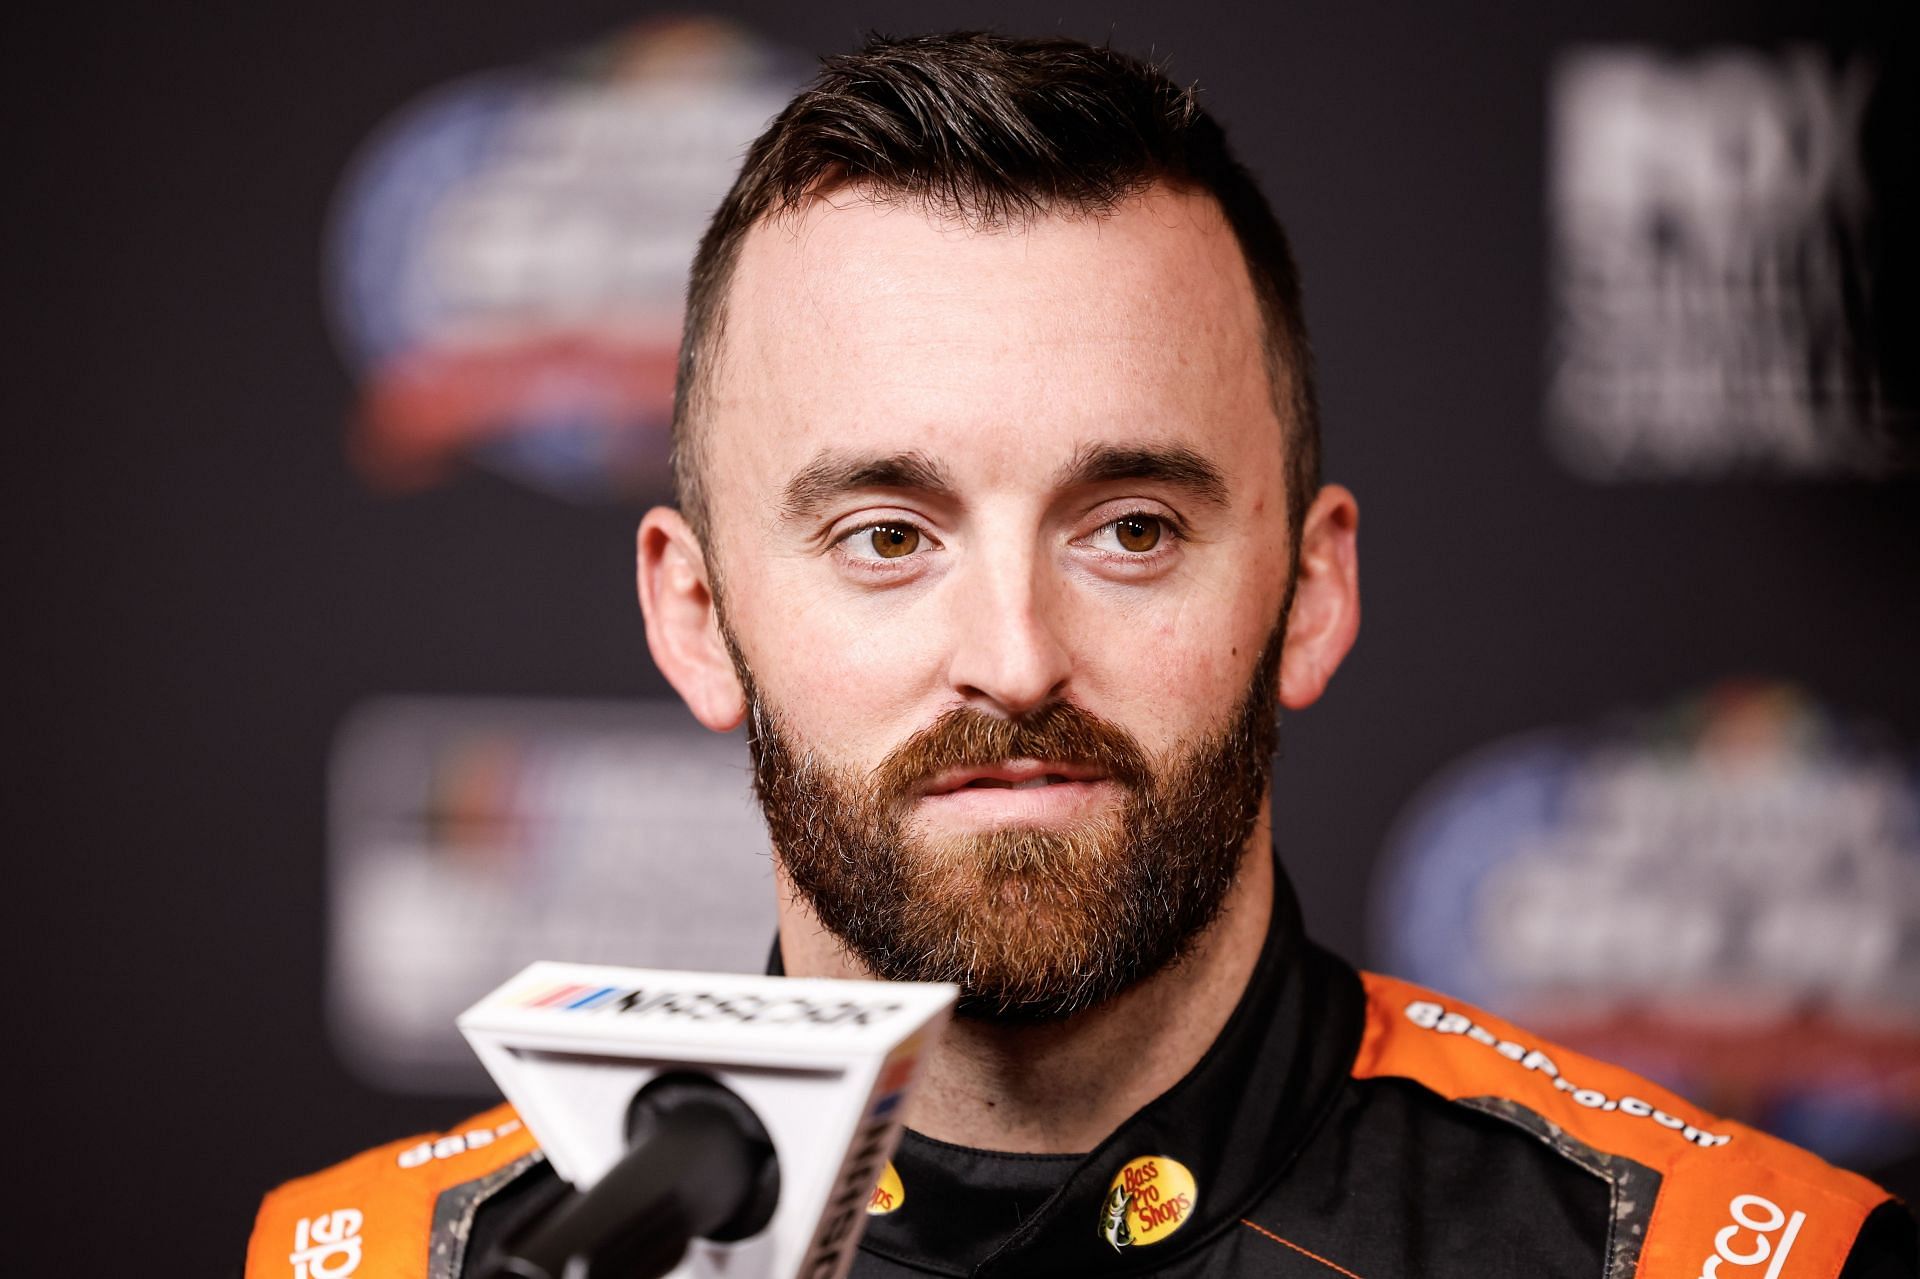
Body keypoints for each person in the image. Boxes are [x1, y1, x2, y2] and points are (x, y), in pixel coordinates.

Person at [248, 31, 1913, 1277]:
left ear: (1314, 592)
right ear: (697, 618)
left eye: (1129, 528)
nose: (1016, 658)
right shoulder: (398, 1261)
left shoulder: (1712, 1254)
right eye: (886, 536)